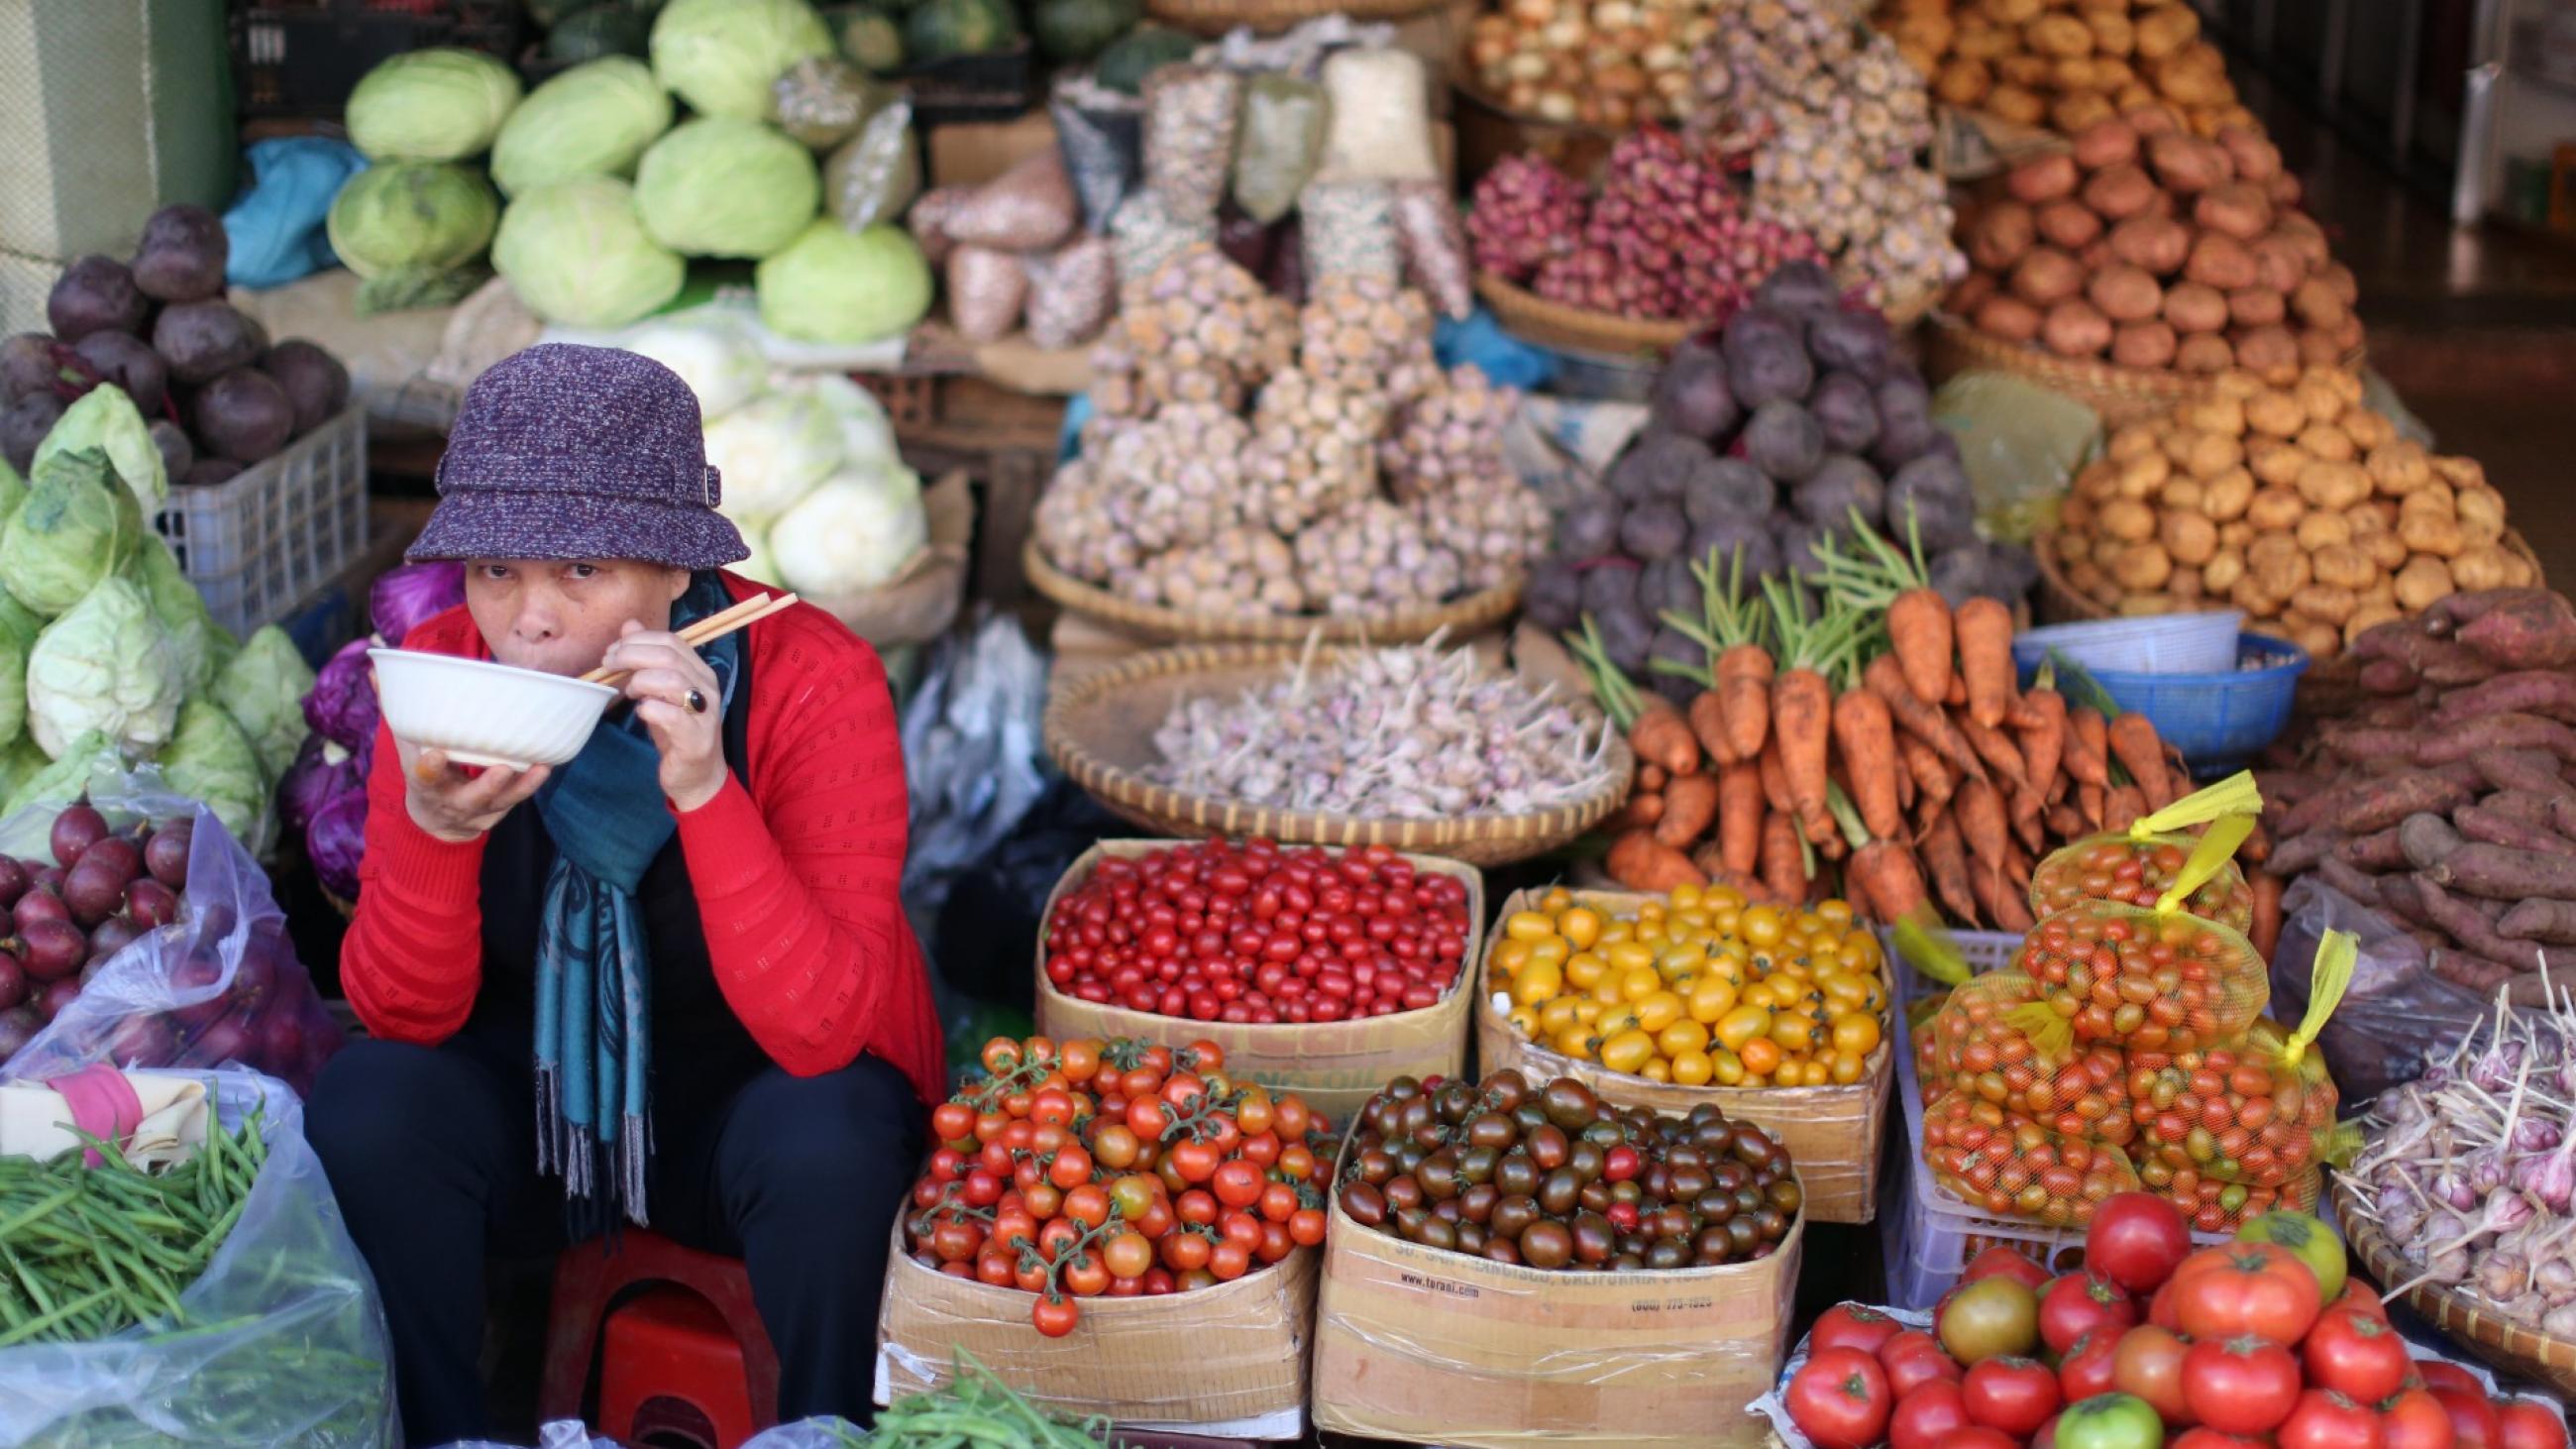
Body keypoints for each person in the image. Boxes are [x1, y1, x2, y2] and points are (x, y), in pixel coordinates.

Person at [308, 344, 940, 1446]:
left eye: (579, 573)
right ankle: (445, 1432)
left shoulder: (809, 674)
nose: (529, 619)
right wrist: (437, 831)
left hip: (742, 1118)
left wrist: (703, 788)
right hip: (538, 1119)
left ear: (670, 568)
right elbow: (404, 1014)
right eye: (496, 570)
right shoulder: (440, 667)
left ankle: (823, 1427)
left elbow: (822, 1026)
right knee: (370, 1100)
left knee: (832, 1133)